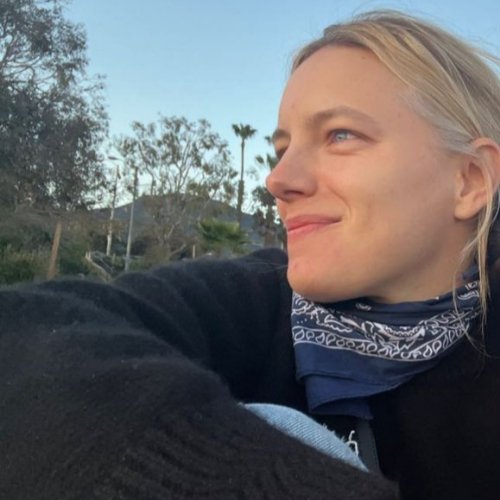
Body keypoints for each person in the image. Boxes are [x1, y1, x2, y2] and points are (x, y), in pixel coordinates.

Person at [2, 9, 500, 500]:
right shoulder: (255, 300)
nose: (278, 180)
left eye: (340, 135)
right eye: (283, 148)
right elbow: (26, 335)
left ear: (470, 180)